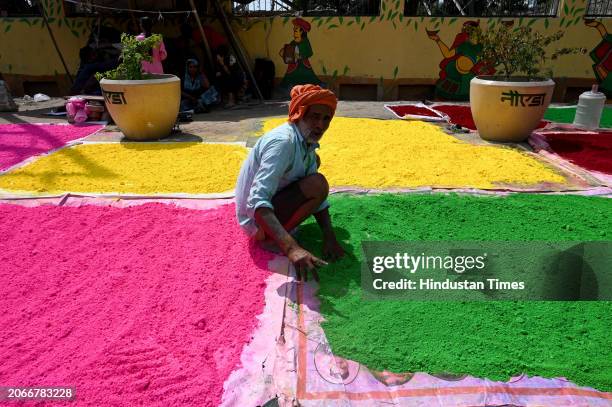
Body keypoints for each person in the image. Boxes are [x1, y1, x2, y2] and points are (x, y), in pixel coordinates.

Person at [235, 84, 345, 281]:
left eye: (326, 119)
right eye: (315, 117)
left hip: (272, 206)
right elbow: (257, 200)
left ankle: (277, 231)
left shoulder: (306, 143)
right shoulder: (283, 142)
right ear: (299, 114)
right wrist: (291, 248)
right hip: (255, 222)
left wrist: (329, 237)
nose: (320, 125)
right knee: (317, 183)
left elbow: (319, 198)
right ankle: (270, 239)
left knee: (315, 171)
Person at [279, 18, 322, 89]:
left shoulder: (305, 42)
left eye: (296, 31)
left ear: (302, 32)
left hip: (304, 66)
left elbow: (310, 52)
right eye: (294, 31)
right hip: (292, 66)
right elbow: (287, 51)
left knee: (309, 81)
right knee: (289, 80)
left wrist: (299, 55)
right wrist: (284, 52)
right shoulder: (293, 42)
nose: (294, 33)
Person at [214, 44, 245, 108]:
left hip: (236, 78)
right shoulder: (223, 59)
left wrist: (222, 63)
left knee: (227, 79)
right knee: (220, 78)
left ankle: (231, 101)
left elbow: (229, 72)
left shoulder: (229, 58)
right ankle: (228, 99)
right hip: (234, 76)